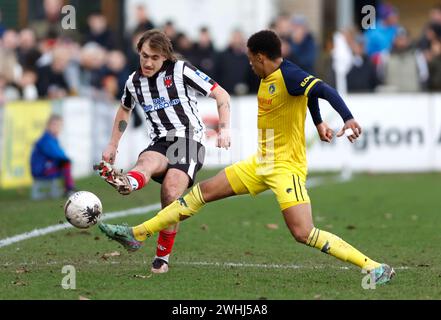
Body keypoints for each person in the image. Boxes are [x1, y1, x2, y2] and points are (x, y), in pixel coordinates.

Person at [98, 30, 395, 285]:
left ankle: (373, 266)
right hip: (260, 162)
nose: (249, 64)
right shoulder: (273, 75)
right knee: (200, 194)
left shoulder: (288, 75)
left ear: (261, 57)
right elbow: (309, 95)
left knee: (303, 232)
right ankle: (136, 233)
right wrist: (318, 122)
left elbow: (323, 89)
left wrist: (348, 118)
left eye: (251, 58)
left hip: (284, 168)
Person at [94, 29, 231, 274]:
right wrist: (112, 144)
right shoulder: (133, 82)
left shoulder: (181, 71)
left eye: (154, 58)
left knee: (170, 191)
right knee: (145, 162)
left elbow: (221, 94)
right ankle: (127, 184)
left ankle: (161, 257)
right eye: (144, 55)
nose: (147, 62)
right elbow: (124, 110)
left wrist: (224, 129)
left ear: (165, 57)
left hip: (188, 139)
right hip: (160, 140)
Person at [30, 114, 75, 199]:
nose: (57, 128)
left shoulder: (52, 139)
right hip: (41, 171)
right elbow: (58, 155)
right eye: (55, 125)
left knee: (65, 163)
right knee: (66, 163)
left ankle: (68, 188)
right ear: (48, 125)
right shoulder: (46, 140)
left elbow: (59, 154)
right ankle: (69, 189)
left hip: (45, 168)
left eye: (59, 125)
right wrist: (66, 159)